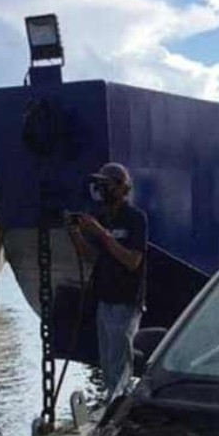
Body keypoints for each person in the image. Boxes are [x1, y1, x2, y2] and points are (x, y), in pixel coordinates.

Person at [66, 162, 148, 396]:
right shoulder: (103, 218)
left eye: (107, 184)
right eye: (100, 185)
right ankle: (113, 404)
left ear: (122, 188)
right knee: (107, 363)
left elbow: (132, 261)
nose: (102, 190)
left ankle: (120, 406)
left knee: (120, 363)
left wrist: (101, 233)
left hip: (126, 301)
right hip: (105, 300)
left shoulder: (135, 218)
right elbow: (92, 257)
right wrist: (76, 235)